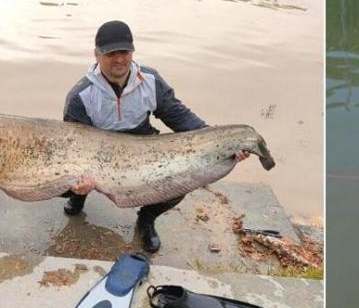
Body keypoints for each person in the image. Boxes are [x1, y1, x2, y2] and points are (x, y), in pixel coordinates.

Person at [61, 20, 245, 253]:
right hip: (96, 151)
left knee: (180, 181)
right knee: (64, 183)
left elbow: (181, 118)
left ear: (133, 51)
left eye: (124, 52)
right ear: (96, 55)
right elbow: (74, 147)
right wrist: (81, 179)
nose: (119, 59)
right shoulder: (80, 96)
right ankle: (78, 198)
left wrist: (220, 142)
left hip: (142, 143)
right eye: (111, 53)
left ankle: (146, 220)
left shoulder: (150, 80)